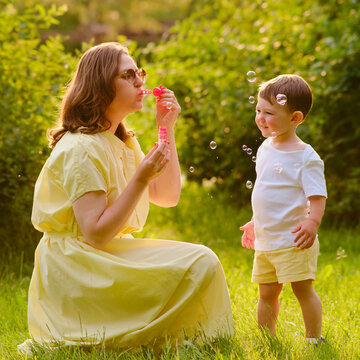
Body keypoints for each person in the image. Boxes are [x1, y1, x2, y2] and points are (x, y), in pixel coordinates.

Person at [18, 42, 233, 354]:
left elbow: (167, 195)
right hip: (77, 266)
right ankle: (153, 340)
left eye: (139, 73)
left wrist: (165, 128)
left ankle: (177, 341)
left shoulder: (121, 140)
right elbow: (95, 233)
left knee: (201, 261)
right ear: (102, 85)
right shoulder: (81, 148)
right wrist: (140, 178)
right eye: (128, 75)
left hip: (103, 255)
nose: (139, 81)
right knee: (200, 262)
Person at [240, 74, 327, 344]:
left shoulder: (305, 156)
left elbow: (317, 195)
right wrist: (256, 221)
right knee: (266, 293)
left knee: (302, 290)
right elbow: (265, 190)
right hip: (268, 239)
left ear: (295, 118)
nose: (261, 118)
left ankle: (314, 339)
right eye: (258, 111)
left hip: (293, 239)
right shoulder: (266, 147)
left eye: (269, 112)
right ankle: (268, 339)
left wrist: (312, 223)